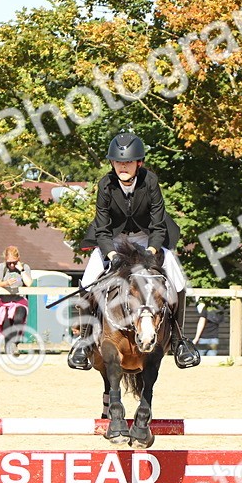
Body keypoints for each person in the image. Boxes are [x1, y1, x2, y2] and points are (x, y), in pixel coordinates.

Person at [67, 132, 200, 371]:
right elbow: (103, 229)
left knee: (178, 280)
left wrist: (150, 251)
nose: (123, 166)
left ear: (139, 163)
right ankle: (84, 341)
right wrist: (112, 256)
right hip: (114, 240)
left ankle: (180, 341)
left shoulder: (150, 181)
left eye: (128, 162)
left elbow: (159, 226)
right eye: (119, 162)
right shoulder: (105, 185)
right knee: (87, 280)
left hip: (148, 238)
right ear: (112, 163)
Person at [0, 246, 33, 356]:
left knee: (18, 319)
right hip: (4, 302)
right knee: (6, 326)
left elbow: (29, 284)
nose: (11, 265)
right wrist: (6, 283)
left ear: (18, 259)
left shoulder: (25, 267)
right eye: (9, 262)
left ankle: (15, 343)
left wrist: (21, 270)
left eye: (14, 262)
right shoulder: (2, 267)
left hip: (19, 300)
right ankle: (8, 350)